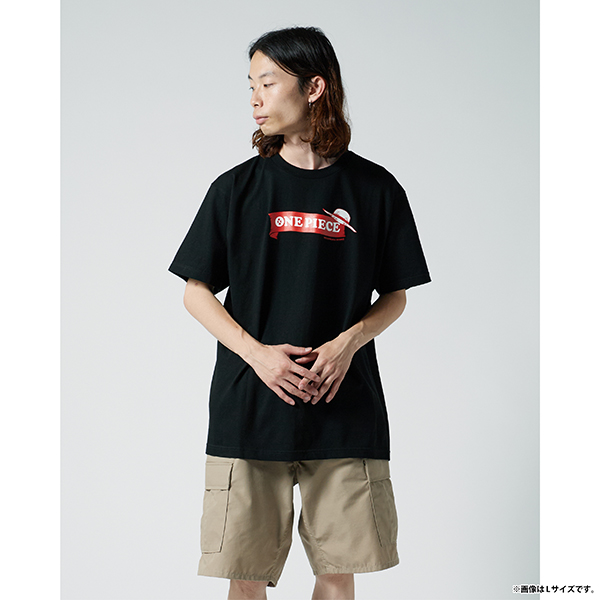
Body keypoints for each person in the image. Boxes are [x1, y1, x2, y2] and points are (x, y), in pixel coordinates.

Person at [168, 26, 431, 600]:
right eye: (250, 86)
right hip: (249, 407)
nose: (255, 99)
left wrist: (347, 344)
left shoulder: (375, 189)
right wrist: (258, 355)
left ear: (314, 87)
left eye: (268, 83)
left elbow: (396, 295)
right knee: (246, 574)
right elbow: (195, 291)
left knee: (338, 572)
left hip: (344, 406)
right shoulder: (235, 190)